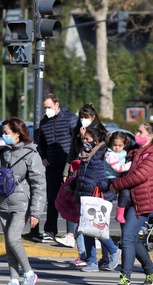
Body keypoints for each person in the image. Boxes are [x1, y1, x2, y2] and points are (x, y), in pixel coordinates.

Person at [0, 117, 46, 285]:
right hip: (2, 203)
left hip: (21, 204)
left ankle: (29, 274)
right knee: (8, 243)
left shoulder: (31, 155)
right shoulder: (0, 154)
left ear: (18, 133)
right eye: (3, 133)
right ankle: (13, 280)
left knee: (13, 239)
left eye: (7, 133)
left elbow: (39, 185)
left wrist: (36, 212)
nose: (4, 136)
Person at [110, 122, 153, 285]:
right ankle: (150, 268)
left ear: (150, 136)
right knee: (132, 238)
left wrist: (116, 184)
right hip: (130, 198)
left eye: (140, 131)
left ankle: (125, 278)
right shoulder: (135, 151)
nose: (137, 133)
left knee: (126, 237)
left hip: (144, 200)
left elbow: (139, 176)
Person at [59, 103, 107, 264]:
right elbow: (72, 153)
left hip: (92, 177)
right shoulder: (77, 130)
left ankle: (105, 254)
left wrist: (84, 137)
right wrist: (66, 172)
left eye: (86, 118)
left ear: (93, 118)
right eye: (81, 117)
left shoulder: (100, 132)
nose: (83, 120)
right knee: (77, 212)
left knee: (90, 219)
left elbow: (94, 154)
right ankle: (82, 253)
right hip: (77, 173)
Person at [67, 128, 121, 273]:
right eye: (84, 139)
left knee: (96, 229)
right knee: (86, 229)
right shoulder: (87, 154)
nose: (84, 142)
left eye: (87, 139)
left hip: (96, 196)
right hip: (85, 195)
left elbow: (106, 176)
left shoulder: (101, 155)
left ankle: (113, 250)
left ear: (96, 141)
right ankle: (92, 261)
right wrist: (73, 186)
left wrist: (102, 187)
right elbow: (82, 174)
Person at [33, 93, 77, 244]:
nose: (47, 110)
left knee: (69, 199)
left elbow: (77, 144)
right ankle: (50, 231)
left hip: (68, 166)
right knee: (51, 200)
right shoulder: (44, 122)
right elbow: (41, 144)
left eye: (49, 107)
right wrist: (43, 157)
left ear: (57, 104)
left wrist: (72, 165)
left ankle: (71, 234)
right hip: (51, 166)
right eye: (45, 107)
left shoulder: (71, 119)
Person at [104, 131, 132, 223]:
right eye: (115, 145)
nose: (117, 148)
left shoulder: (123, 153)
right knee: (125, 193)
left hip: (118, 177)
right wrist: (130, 164)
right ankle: (119, 213)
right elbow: (119, 168)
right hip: (111, 177)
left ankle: (122, 212)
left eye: (120, 145)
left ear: (124, 145)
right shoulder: (110, 154)